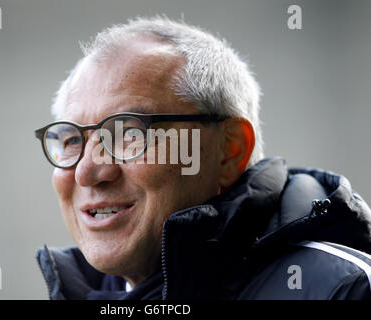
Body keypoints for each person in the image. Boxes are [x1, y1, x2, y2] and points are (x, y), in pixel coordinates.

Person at [34, 16, 371, 300]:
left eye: (129, 133)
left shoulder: (342, 290)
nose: (87, 172)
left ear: (230, 150)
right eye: (71, 140)